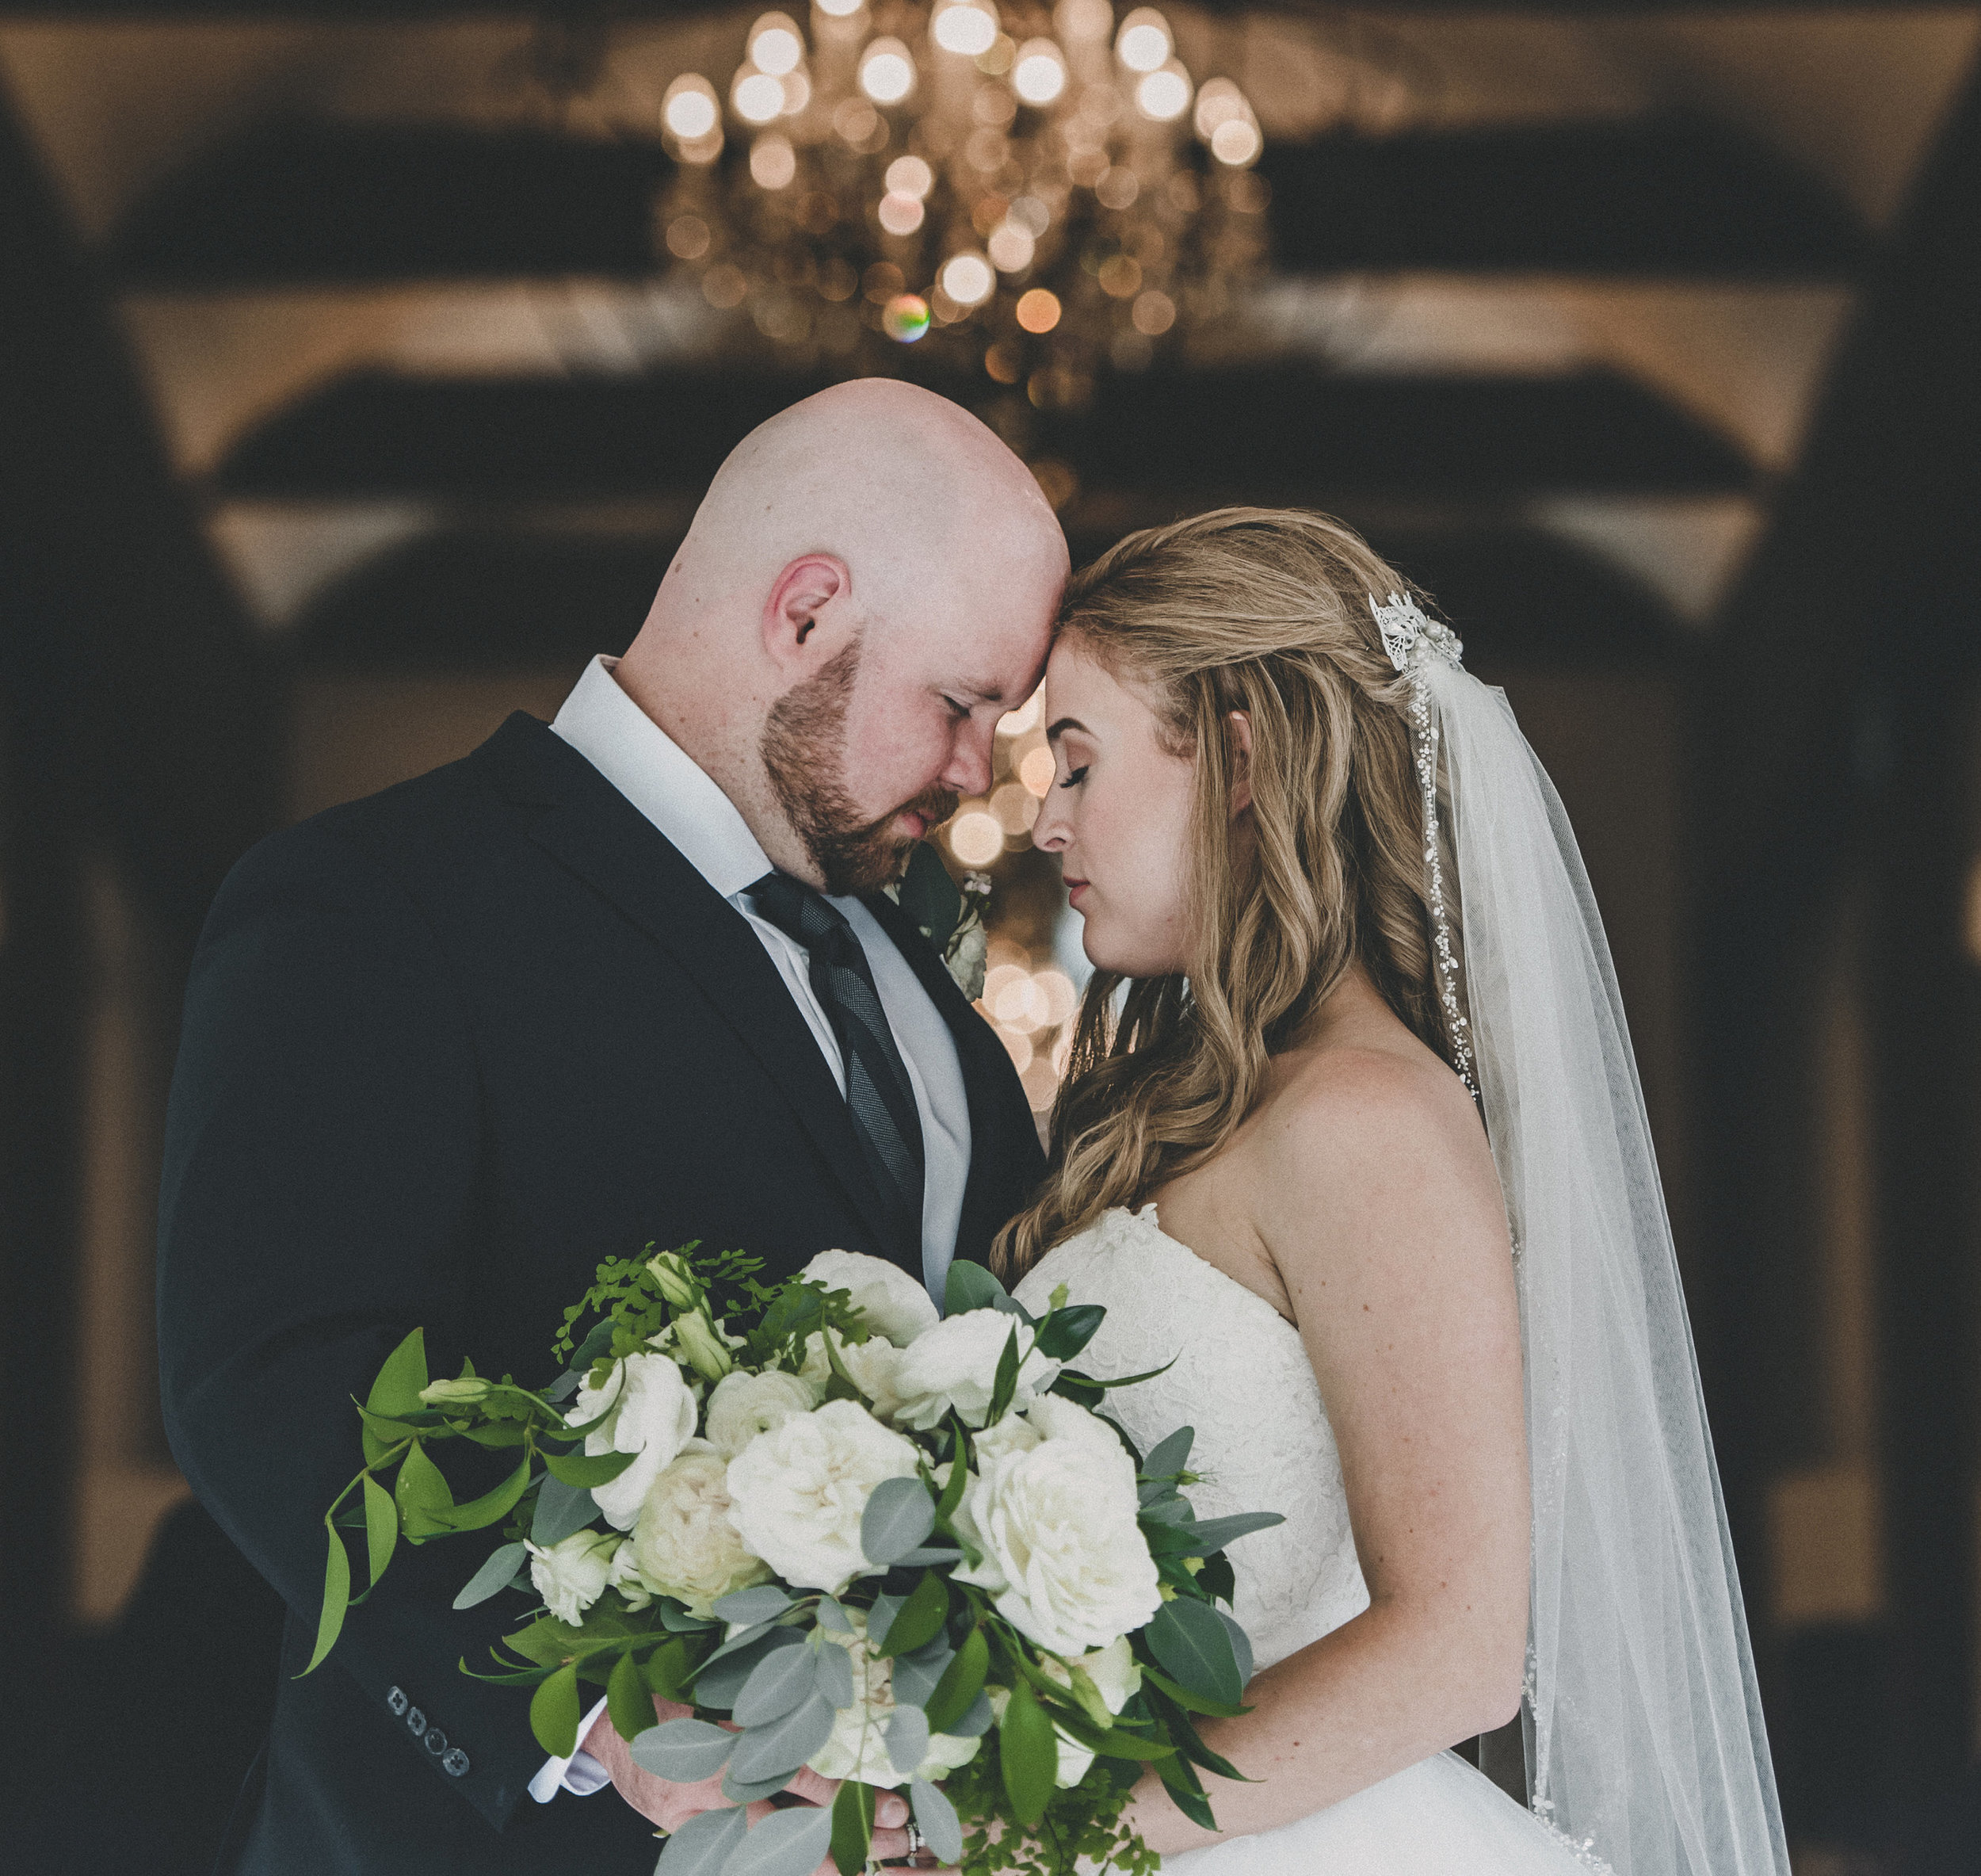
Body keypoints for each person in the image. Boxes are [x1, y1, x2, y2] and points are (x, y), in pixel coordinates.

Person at [158, 380, 1066, 1876]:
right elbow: (270, 1376)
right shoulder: (379, 900)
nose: (979, 776)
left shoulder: (925, 994)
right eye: (958, 704)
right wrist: (586, 1700)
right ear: (805, 612)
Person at [1013, 505, 1789, 1876]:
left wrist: (1050, 1828)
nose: (1041, 817)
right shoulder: (1215, 1108)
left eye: (1077, 763)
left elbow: (1457, 1650)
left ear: (1240, 757)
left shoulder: (1364, 1121)